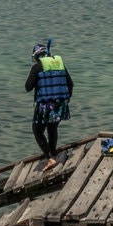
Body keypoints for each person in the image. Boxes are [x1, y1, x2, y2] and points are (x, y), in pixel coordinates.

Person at [23, 39, 74, 169]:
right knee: (52, 128)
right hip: (61, 103)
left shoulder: (37, 67)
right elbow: (70, 84)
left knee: (37, 130)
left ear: (36, 56)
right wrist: (68, 98)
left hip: (45, 105)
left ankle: (49, 158)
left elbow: (28, 87)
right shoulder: (59, 64)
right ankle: (53, 152)